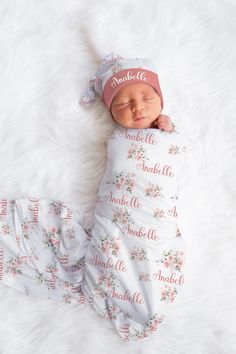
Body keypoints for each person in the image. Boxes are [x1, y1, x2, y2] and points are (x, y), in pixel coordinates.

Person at [0, 53, 186, 341]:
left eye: (147, 98)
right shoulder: (119, 141)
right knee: (113, 244)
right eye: (124, 103)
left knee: (146, 255)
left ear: (161, 101)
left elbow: (174, 164)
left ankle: (139, 293)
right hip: (118, 220)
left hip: (156, 224)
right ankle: (123, 285)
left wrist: (169, 133)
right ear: (111, 113)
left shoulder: (169, 138)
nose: (137, 107)